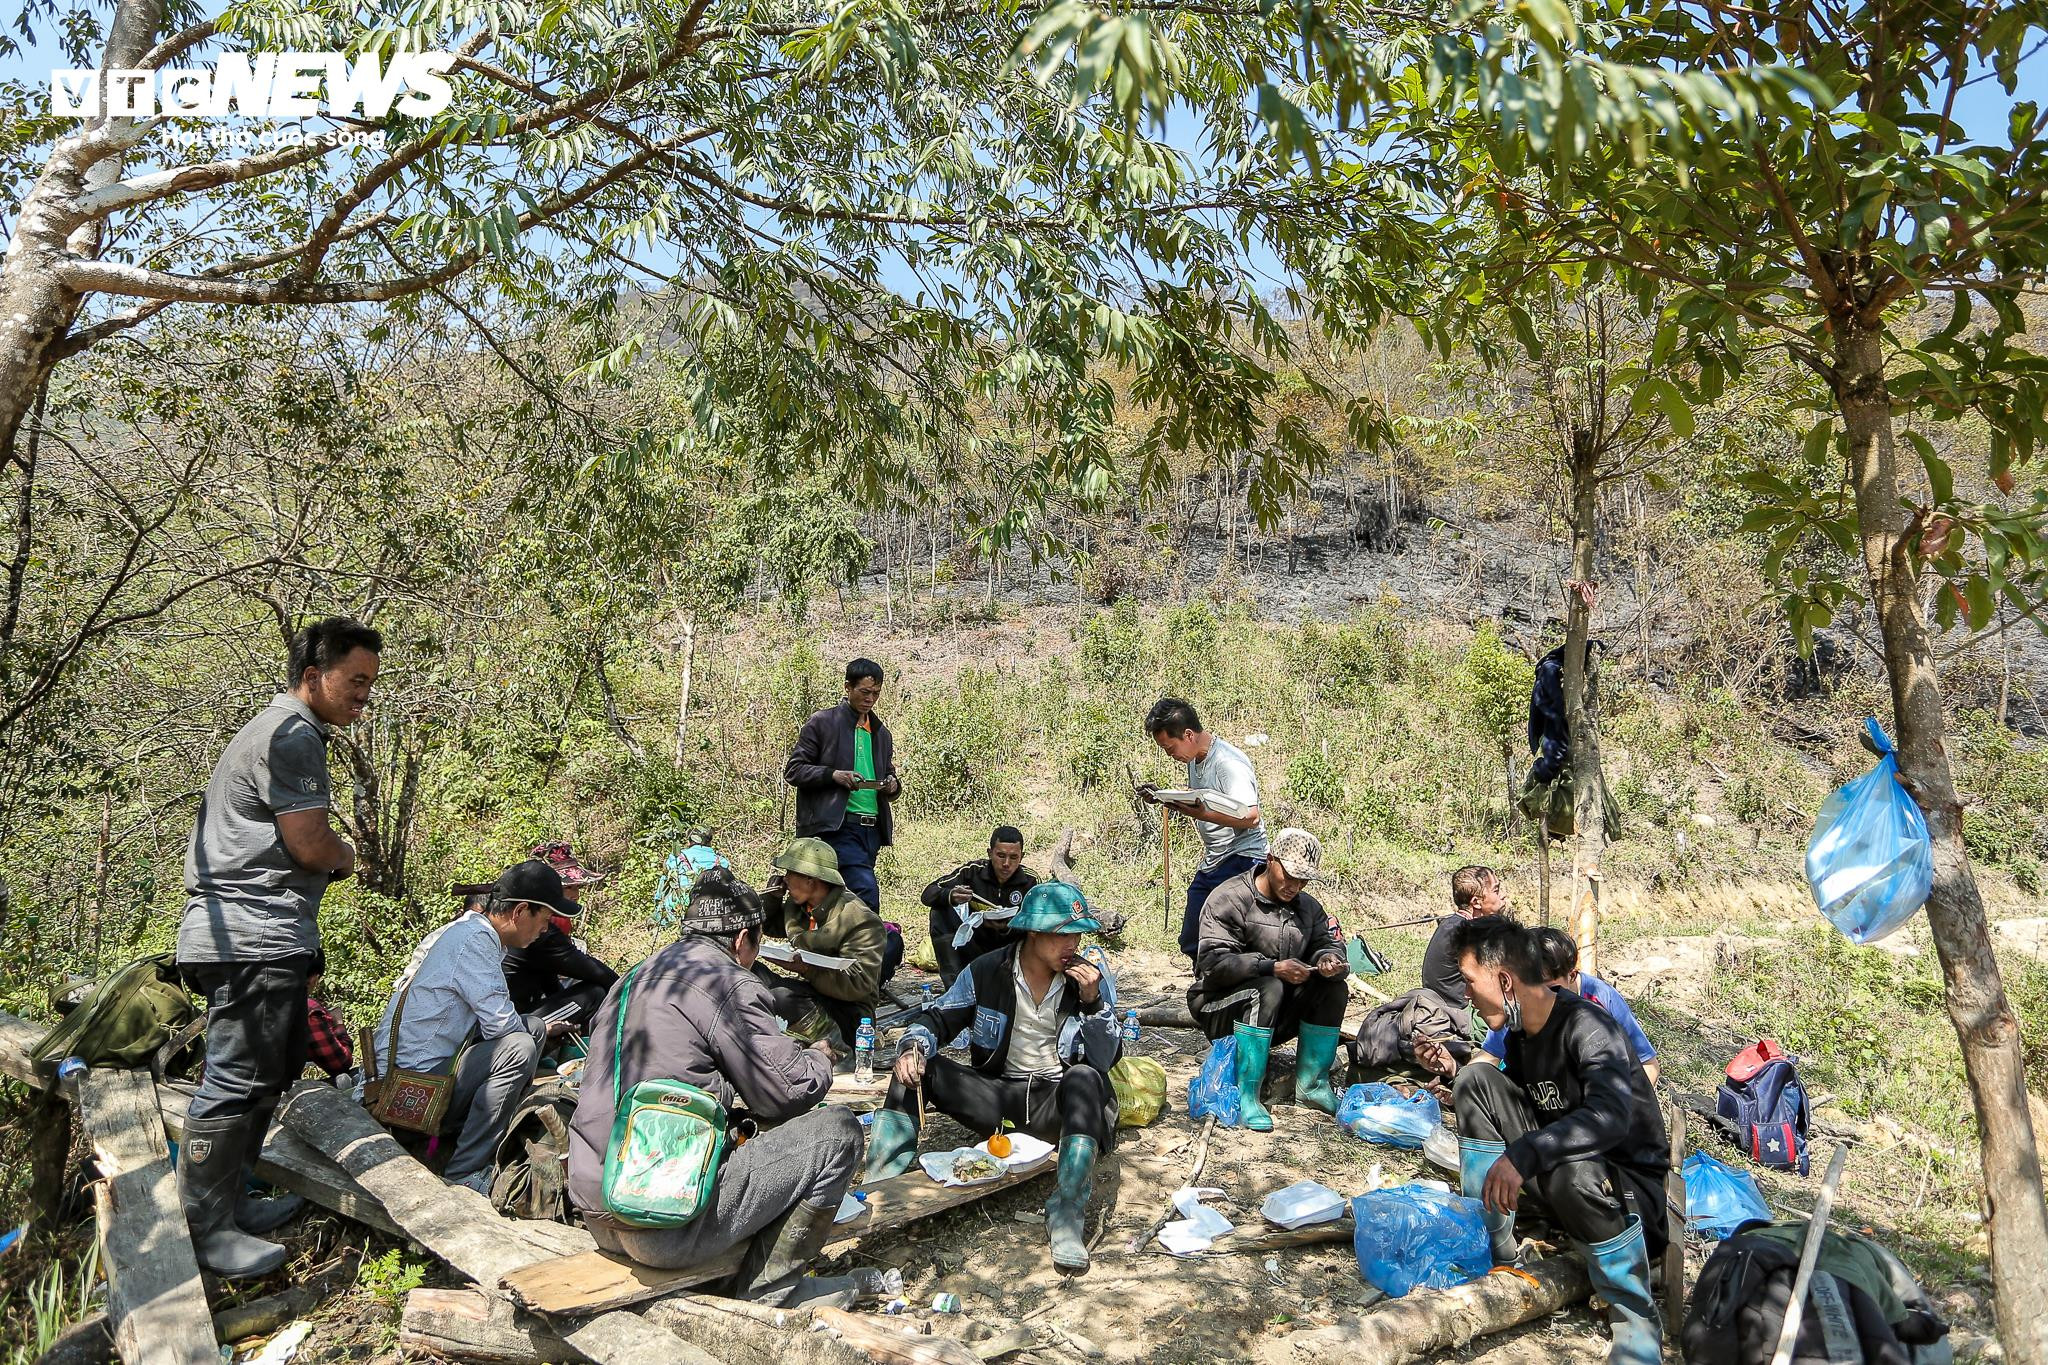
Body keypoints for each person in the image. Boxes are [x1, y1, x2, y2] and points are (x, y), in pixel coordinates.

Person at [176, 616, 380, 1278]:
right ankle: (202, 1228)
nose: (362, 697)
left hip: (251, 933)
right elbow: (308, 843)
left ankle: (231, 1204)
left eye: (370, 685)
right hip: (252, 934)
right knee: (235, 1080)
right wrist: (346, 857)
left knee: (265, 1074)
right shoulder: (292, 733)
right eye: (355, 681)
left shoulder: (274, 729)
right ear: (313, 675)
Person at [567, 868, 864, 1305]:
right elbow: (788, 1092)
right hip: (666, 1224)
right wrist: (819, 1056)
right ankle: (772, 1291)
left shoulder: (632, 978)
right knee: (838, 1131)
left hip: (599, 1210)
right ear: (743, 938)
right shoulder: (726, 981)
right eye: (758, 943)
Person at [1416, 916, 1669, 1365]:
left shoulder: (1590, 1029)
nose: (1467, 997)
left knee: (1572, 1173)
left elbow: (1610, 1118)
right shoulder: (1520, 1034)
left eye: (1471, 982)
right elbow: (1513, 1103)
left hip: (1625, 1194)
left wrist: (1527, 1152)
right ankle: (1493, 1246)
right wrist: (1452, 1071)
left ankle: (1635, 1313)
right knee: (1476, 1079)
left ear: (1506, 981)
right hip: (1560, 1178)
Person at [867, 883, 1120, 1273]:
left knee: (1086, 1078)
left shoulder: (1089, 979)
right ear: (1033, 933)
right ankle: (880, 1186)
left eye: (1078, 934)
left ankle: (1067, 1208)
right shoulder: (988, 970)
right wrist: (911, 1047)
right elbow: (939, 1016)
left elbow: (1105, 1060)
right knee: (918, 1065)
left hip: (1057, 1103)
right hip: (999, 1099)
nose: (1073, 945)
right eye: (1062, 935)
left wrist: (1094, 1002)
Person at [374, 860, 577, 1194]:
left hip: (422, 1072)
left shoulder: (474, 933)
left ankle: (493, 1131)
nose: (545, 929)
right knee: (520, 1046)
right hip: (408, 1088)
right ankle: (466, 1169)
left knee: (534, 1028)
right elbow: (501, 1025)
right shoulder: (476, 942)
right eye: (544, 920)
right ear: (521, 912)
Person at [1186, 828, 1348, 1132]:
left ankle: (1312, 1087)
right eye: (1289, 875)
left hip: (1273, 1016)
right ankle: (1249, 1094)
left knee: (1334, 988)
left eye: (1303, 880)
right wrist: (1271, 968)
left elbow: (1328, 942)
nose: (1295, 886)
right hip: (1218, 1008)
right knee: (1269, 986)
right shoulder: (1230, 898)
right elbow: (1212, 964)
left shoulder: (1308, 908)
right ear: (1270, 860)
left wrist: (1327, 960)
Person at [1138, 698, 1268, 959]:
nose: (1169, 755)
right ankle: (1209, 987)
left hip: (1243, 858)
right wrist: (1164, 798)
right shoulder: (1194, 759)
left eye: (1169, 747)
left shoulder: (1229, 763)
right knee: (1192, 937)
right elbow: (1203, 802)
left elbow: (1251, 817)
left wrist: (1204, 813)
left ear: (1188, 735)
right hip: (1215, 860)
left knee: (1218, 936)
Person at [1347, 864, 1503, 1075]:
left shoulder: (1452, 924)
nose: (1503, 896)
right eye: (1496, 890)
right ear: (1476, 902)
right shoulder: (1467, 932)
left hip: (1439, 1002)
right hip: (1456, 1008)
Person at [784, 658, 902, 915]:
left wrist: (892, 785)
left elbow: (888, 773)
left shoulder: (881, 733)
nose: (870, 699)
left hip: (871, 830)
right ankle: (869, 948)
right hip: (836, 826)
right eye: (864, 692)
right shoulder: (823, 723)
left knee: (839, 901)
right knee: (865, 892)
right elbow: (794, 770)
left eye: (876, 693)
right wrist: (833, 775)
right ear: (848, 687)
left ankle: (837, 947)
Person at [1480, 927, 1659, 1084]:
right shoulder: (1519, 999)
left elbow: (1648, 1065)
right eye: (1530, 984)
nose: (1537, 995)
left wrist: (1626, 1115)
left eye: (1548, 986)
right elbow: (1491, 1055)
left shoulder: (1601, 998)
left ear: (1572, 976)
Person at [755, 838, 889, 1046]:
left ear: (811, 880)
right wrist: (771, 899)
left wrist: (807, 969)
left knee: (782, 997)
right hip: (815, 994)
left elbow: (859, 984)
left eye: (790, 873)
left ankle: (839, 1049)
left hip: (849, 1012)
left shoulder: (860, 920)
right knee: (752, 974)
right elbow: (771, 927)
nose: (785, 879)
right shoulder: (799, 905)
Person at [502, 842, 619, 1033]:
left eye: (577, 887)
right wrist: (632, 992)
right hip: (510, 1024)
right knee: (595, 994)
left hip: (518, 1010)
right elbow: (597, 972)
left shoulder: (536, 925)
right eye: (568, 888)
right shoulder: (538, 931)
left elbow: (549, 980)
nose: (575, 895)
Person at [922, 825, 1038, 986]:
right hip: (975, 945)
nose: (1006, 863)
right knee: (939, 911)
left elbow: (1041, 920)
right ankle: (954, 986)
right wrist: (951, 895)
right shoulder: (972, 872)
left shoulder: (1030, 881)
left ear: (1022, 857)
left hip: (1013, 949)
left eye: (1013, 857)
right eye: (1000, 855)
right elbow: (928, 893)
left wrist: (1010, 926)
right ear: (990, 853)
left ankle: (1024, 982)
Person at [303, 947, 354, 1082]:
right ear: (314, 978)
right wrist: (338, 1023)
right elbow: (339, 1063)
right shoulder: (309, 1010)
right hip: (269, 1094)